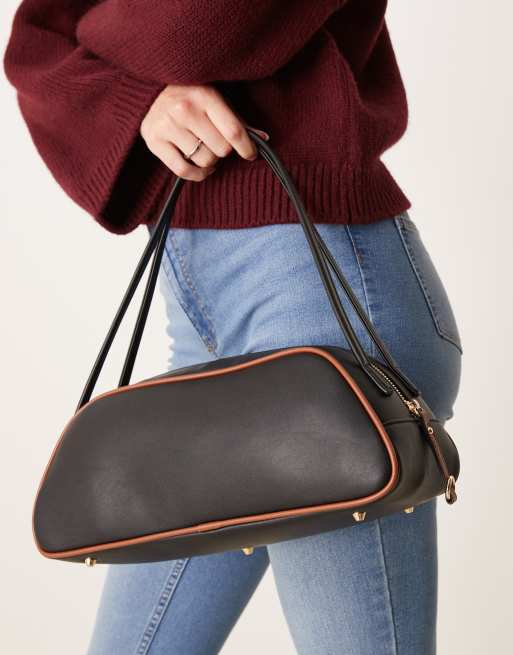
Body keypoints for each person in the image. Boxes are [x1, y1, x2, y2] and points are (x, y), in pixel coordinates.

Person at [4, 1, 463, 653]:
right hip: (199, 304)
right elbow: (34, 43)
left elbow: (192, 33)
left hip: (322, 310)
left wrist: (93, 29)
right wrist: (139, 100)